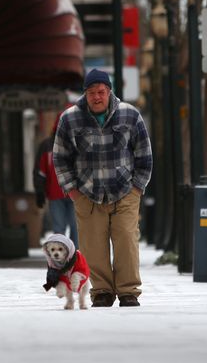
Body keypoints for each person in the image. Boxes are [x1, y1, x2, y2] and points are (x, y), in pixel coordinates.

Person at [53, 69, 152, 308]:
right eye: (91, 93)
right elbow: (60, 158)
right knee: (92, 246)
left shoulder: (129, 115)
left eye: (101, 92)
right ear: (85, 94)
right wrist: (73, 191)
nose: (97, 97)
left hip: (125, 192)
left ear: (109, 92)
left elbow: (144, 154)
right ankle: (102, 291)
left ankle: (129, 291)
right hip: (88, 193)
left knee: (126, 242)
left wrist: (137, 187)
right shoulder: (70, 118)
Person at [33, 112, 78, 247]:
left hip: (73, 194)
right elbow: (40, 171)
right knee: (63, 229)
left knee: (73, 228)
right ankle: (64, 260)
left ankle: (74, 259)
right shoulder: (47, 146)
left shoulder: (78, 144)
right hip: (58, 193)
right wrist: (39, 191)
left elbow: (40, 172)